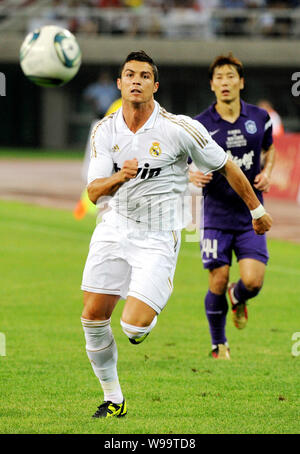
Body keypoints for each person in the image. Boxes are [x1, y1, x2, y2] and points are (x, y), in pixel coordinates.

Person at [80, 50, 272, 418]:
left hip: (157, 235)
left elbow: (227, 165)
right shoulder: (105, 130)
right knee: (91, 317)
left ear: (155, 85)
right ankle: (114, 399)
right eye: (129, 75)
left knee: (132, 329)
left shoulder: (178, 128)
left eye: (144, 76)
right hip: (114, 228)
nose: (136, 81)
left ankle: (155, 289)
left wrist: (257, 209)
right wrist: (121, 176)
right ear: (119, 84)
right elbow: (93, 192)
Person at [189, 53, 275, 360]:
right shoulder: (199, 125)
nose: (225, 83)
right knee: (218, 278)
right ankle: (218, 345)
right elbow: (185, 161)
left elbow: (269, 148)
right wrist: (192, 174)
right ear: (212, 85)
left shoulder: (259, 118)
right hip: (215, 215)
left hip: (251, 215)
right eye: (219, 78)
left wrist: (267, 172)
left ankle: (238, 298)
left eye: (230, 77)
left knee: (252, 281)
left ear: (241, 82)